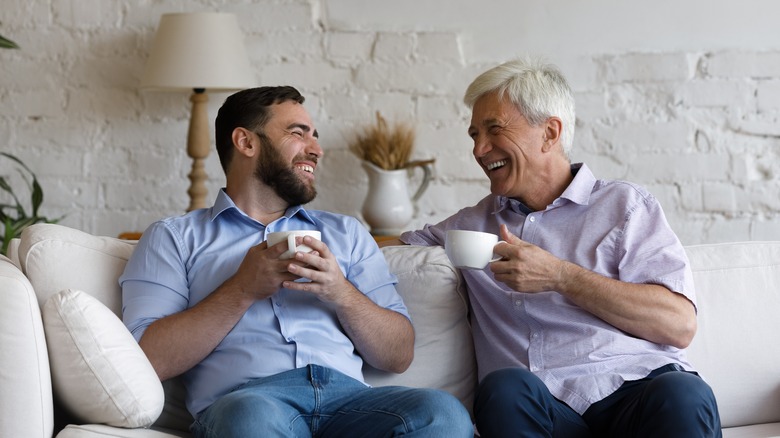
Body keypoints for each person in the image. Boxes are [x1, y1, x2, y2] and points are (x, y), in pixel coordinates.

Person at [381, 58, 722, 437]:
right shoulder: (472, 226)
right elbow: (384, 245)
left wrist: (561, 276)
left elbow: (678, 324)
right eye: (474, 134)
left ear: (549, 132)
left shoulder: (624, 207)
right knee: (504, 388)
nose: (479, 149)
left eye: (494, 130)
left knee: (684, 393)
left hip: (635, 393)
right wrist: (318, 231)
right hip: (541, 406)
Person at [120, 86, 473, 438]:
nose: (316, 150)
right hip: (249, 401)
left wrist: (341, 292)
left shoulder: (346, 233)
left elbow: (398, 355)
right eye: (297, 133)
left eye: (315, 137)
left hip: (349, 403)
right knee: (248, 417)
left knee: (442, 414)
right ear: (246, 143)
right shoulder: (174, 238)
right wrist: (242, 289)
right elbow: (147, 359)